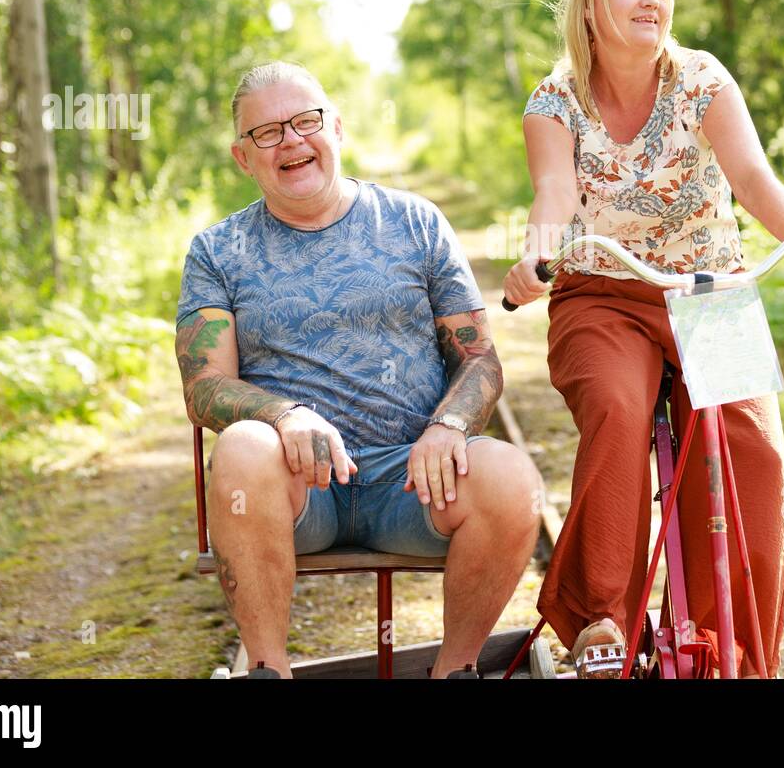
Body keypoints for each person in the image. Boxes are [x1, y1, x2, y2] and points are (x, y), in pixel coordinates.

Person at [503, 0, 784, 678]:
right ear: (591, 4)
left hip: (711, 292)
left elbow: (753, 176)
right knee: (617, 409)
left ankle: (734, 651)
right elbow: (554, 191)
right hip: (605, 294)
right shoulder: (555, 100)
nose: (652, 1)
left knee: (752, 453)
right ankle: (600, 620)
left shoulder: (703, 80)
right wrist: (538, 254)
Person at [176, 61, 542, 678]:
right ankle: (269, 670)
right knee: (240, 447)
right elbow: (204, 385)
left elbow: (478, 359)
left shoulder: (415, 223)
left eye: (305, 121)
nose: (291, 140)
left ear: (336, 128)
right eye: (267, 133)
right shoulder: (218, 251)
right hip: (297, 487)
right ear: (244, 158)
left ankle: (455, 671)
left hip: (415, 483)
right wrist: (284, 415)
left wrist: (449, 425)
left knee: (510, 474)